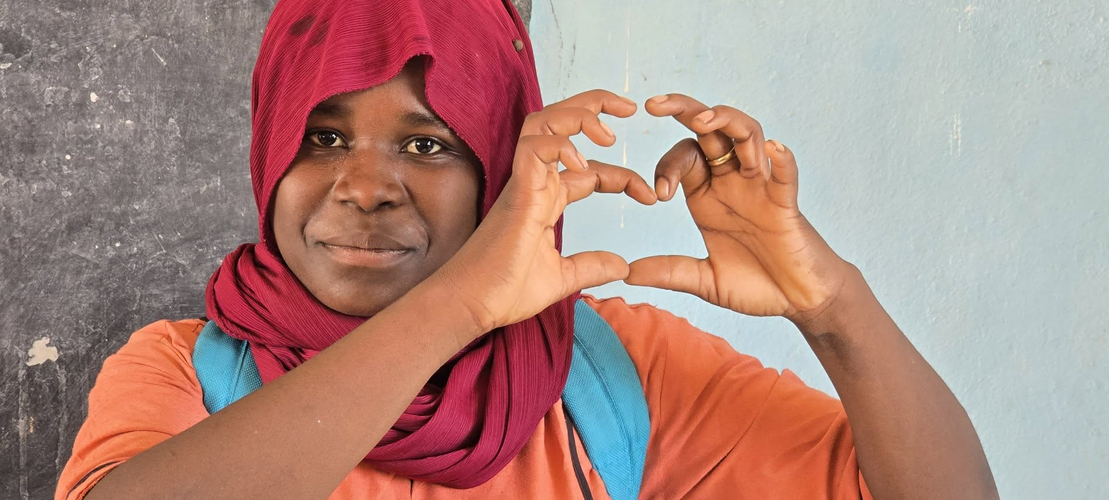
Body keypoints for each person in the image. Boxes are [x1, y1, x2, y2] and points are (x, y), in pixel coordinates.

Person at [55, 0, 998, 499]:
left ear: (500, 172)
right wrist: (458, 304)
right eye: (322, 135)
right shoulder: (184, 373)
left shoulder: (604, 377)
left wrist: (836, 311)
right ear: (269, 147)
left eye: (428, 145)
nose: (365, 185)